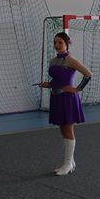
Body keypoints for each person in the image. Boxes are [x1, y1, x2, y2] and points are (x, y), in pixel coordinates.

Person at [39, 32, 92, 176]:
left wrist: (77, 89)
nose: (57, 45)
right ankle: (71, 162)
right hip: (56, 98)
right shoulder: (53, 60)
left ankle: (67, 164)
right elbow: (57, 80)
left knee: (68, 130)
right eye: (55, 42)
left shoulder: (70, 60)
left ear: (66, 44)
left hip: (67, 99)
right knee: (63, 130)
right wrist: (48, 84)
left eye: (60, 42)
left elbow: (88, 74)